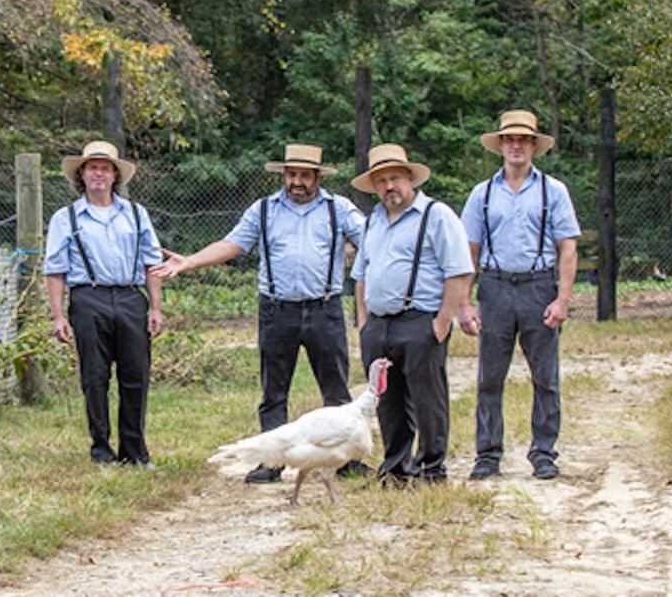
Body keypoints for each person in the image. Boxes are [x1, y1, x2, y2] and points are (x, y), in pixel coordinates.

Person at [150, 144, 367, 483]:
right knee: (273, 390)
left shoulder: (338, 209)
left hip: (324, 309)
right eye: (291, 174)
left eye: (304, 176)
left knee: (336, 389)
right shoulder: (264, 210)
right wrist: (190, 261)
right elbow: (232, 244)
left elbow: (373, 239)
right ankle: (272, 462)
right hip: (277, 310)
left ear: (317, 178)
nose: (296, 182)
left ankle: (346, 460)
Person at [460, 110, 581, 481]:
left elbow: (568, 247)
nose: (516, 145)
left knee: (546, 376)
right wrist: (464, 303)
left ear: (533, 146)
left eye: (524, 140)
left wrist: (562, 299)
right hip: (495, 288)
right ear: (500, 145)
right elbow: (470, 252)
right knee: (489, 377)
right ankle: (488, 454)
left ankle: (543, 452)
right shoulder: (482, 194)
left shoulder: (553, 191)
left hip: (538, 286)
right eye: (509, 139)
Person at [350, 143, 475, 484]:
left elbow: (458, 271)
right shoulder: (373, 221)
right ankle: (395, 469)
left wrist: (442, 321)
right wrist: (363, 322)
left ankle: (431, 468)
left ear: (410, 179)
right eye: (381, 181)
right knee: (387, 400)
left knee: (426, 398)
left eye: (394, 178)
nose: (389, 186)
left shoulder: (436, 215)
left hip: (419, 320)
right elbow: (361, 274)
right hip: (379, 325)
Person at [44, 141, 165, 466]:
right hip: (88, 298)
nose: (98, 173)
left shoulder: (136, 214)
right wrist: (58, 316)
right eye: (92, 167)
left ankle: (135, 450)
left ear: (115, 175)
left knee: (135, 375)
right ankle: (101, 448)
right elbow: (55, 270)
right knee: (94, 376)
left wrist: (155, 307)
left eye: (105, 168)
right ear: (82, 174)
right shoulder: (65, 218)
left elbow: (152, 263)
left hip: (129, 297)